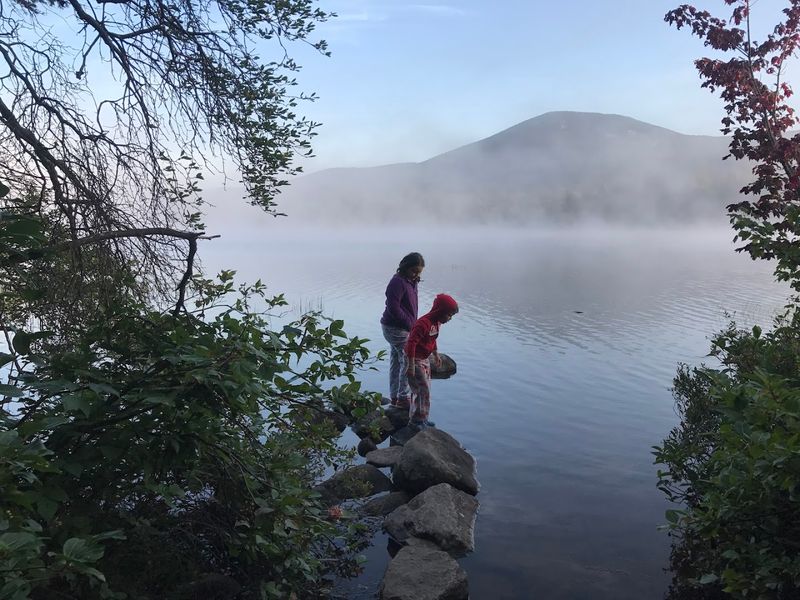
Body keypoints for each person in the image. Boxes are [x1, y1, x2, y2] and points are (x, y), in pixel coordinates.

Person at [404, 293, 459, 430]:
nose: (450, 318)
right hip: (414, 360)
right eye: (449, 314)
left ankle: (422, 418)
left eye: (452, 315)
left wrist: (435, 354)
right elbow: (411, 343)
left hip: (424, 359)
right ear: (439, 311)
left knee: (426, 389)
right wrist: (410, 365)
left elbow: (432, 339)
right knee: (421, 390)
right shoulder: (423, 323)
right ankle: (416, 421)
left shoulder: (436, 323)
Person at [381, 252, 425, 410]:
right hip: (394, 328)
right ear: (405, 267)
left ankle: (394, 396)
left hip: (401, 327)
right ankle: (403, 398)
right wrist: (410, 325)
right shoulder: (397, 282)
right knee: (406, 360)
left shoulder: (412, 282)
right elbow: (393, 308)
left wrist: (414, 323)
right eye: (414, 271)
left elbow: (410, 307)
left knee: (396, 361)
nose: (416, 274)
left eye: (419, 272)